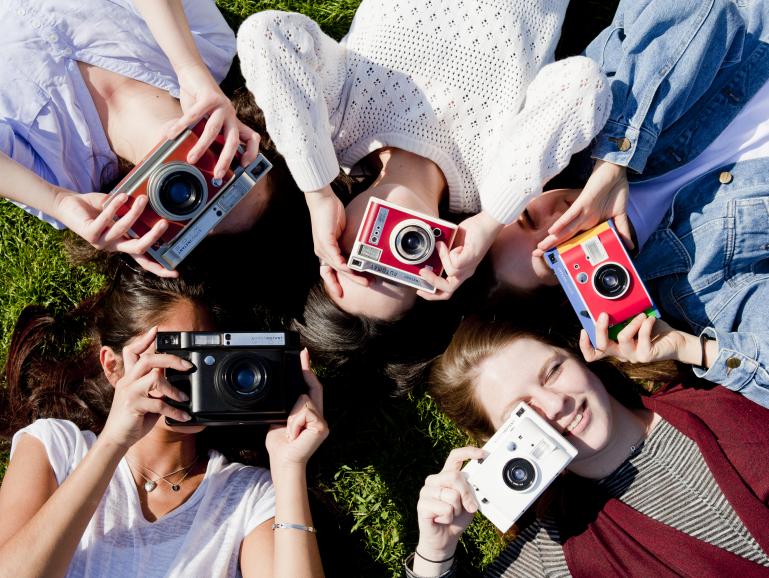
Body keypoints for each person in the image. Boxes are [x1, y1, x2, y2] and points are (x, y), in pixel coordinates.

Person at [236, 0, 611, 367]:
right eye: (401, 268)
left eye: (360, 259)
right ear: (437, 272)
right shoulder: (492, 183)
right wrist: (490, 220)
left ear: (326, 240)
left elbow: (266, 33)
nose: (392, 240)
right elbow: (583, 84)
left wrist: (317, 191)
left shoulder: (337, 127)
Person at [490, 0, 769, 408]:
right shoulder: (695, 289)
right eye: (553, 256)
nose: (558, 223)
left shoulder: (597, 114)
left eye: (530, 214)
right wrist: (692, 350)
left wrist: (615, 159)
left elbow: (704, 8)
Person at [0, 259, 327, 577]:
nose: (194, 375)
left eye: (207, 355)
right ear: (114, 367)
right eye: (176, 355)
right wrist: (114, 441)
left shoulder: (245, 494)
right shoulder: (57, 448)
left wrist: (289, 468)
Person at [407, 311, 769, 577]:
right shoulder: (559, 552)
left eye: (553, 371)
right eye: (521, 411)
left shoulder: (718, 387)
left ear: (577, 354)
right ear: (498, 442)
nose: (554, 404)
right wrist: (435, 553)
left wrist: (700, 352)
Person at [0, 0, 263, 277]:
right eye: (229, 173)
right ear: (247, 139)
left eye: (196, 205)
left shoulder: (62, 178)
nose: (198, 176)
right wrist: (188, 68)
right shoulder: (209, 46)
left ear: (159, 232)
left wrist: (57, 201)